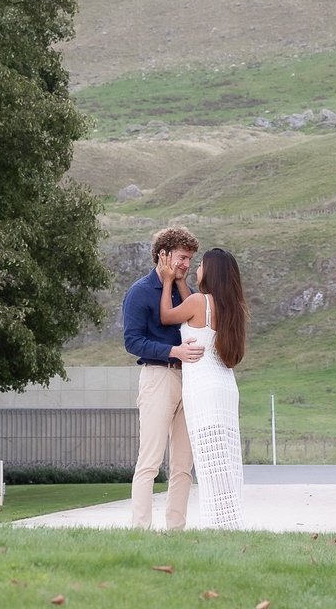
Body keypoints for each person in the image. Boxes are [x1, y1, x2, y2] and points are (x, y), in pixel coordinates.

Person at [158, 246, 246, 529]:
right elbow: (194, 316)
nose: (196, 269)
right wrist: (183, 284)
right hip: (224, 387)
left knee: (209, 460)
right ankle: (229, 519)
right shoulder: (228, 306)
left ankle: (217, 522)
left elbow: (167, 316)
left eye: (201, 265)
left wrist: (170, 280)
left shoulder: (199, 302)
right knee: (225, 458)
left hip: (203, 388)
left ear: (211, 272)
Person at [122, 225, 202, 529]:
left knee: (183, 465)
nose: (186, 265)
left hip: (189, 381)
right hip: (158, 377)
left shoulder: (188, 294)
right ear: (163, 254)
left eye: (190, 260)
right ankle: (140, 529)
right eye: (182, 258)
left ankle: (176, 531)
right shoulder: (140, 292)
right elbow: (133, 342)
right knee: (150, 461)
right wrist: (174, 352)